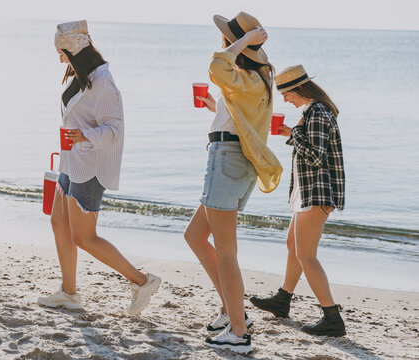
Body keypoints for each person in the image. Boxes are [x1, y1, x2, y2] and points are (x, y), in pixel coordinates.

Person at [37, 20, 161, 315]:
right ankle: (68, 292)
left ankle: (142, 281)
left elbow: (115, 129)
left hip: (90, 167)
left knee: (84, 237)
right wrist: (75, 137)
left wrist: (85, 136)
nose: (59, 57)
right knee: (58, 223)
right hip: (71, 160)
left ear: (75, 49)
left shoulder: (103, 82)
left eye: (62, 51)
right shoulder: (79, 75)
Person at [184, 12, 282, 354]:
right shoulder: (253, 78)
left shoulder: (248, 75)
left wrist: (243, 40)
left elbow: (215, 66)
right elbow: (239, 115)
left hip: (227, 160)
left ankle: (239, 331)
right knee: (195, 236)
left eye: (227, 38)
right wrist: (216, 106)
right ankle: (231, 310)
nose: (223, 42)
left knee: (226, 252)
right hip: (233, 160)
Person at [249, 64, 346, 337]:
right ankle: (283, 299)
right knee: (293, 244)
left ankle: (332, 318)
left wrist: (293, 133)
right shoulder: (313, 111)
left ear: (299, 89)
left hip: (318, 191)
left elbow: (315, 157)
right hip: (311, 190)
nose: (285, 100)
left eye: (286, 94)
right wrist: (292, 133)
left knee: (306, 255)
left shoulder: (316, 111)